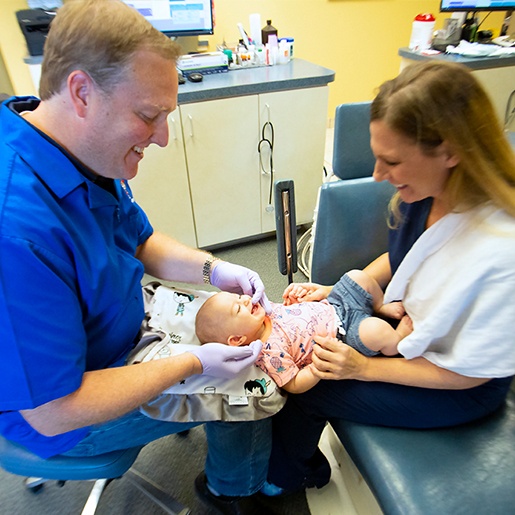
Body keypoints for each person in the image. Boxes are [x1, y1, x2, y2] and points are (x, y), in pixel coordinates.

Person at [0, 2, 276, 513]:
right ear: (82, 92)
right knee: (256, 378)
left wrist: (215, 269)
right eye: (149, 116)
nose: (163, 138)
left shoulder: (74, 148)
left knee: (222, 325)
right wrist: (192, 362)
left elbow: (141, 242)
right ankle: (230, 492)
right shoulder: (16, 230)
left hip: (110, 325)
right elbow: (55, 411)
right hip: (66, 412)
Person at [261, 60, 515, 495]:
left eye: (391, 161)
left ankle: (288, 476)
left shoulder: (500, 253)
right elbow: (408, 259)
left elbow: (467, 375)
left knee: (307, 388)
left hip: (455, 381)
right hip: (413, 332)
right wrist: (336, 294)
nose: (377, 175)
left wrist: (363, 368)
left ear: (451, 151)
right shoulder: (429, 193)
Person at [196, 270, 413, 393]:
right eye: (238, 307)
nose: (245, 298)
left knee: (358, 276)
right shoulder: (268, 353)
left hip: (334, 303)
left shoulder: (265, 312)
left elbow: (293, 312)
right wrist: (315, 370)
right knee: (377, 331)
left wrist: (294, 300)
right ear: (237, 339)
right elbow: (293, 384)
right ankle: (398, 340)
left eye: (239, 297)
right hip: (344, 336)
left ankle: (380, 304)